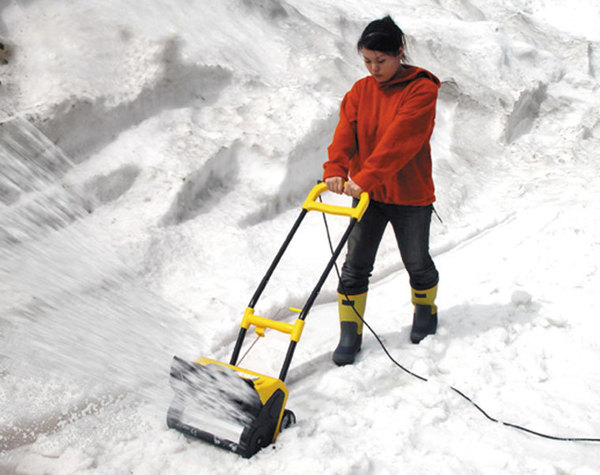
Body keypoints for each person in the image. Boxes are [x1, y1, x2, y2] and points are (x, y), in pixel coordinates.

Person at [323, 15, 440, 366]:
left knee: (416, 262)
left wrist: (366, 176)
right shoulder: (360, 91)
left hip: (410, 194)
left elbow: (401, 141)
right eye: (367, 61)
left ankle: (425, 311)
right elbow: (346, 132)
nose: (374, 68)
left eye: (381, 61)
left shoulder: (422, 89)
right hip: (368, 195)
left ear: (399, 53)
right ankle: (350, 333)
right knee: (355, 266)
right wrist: (336, 169)